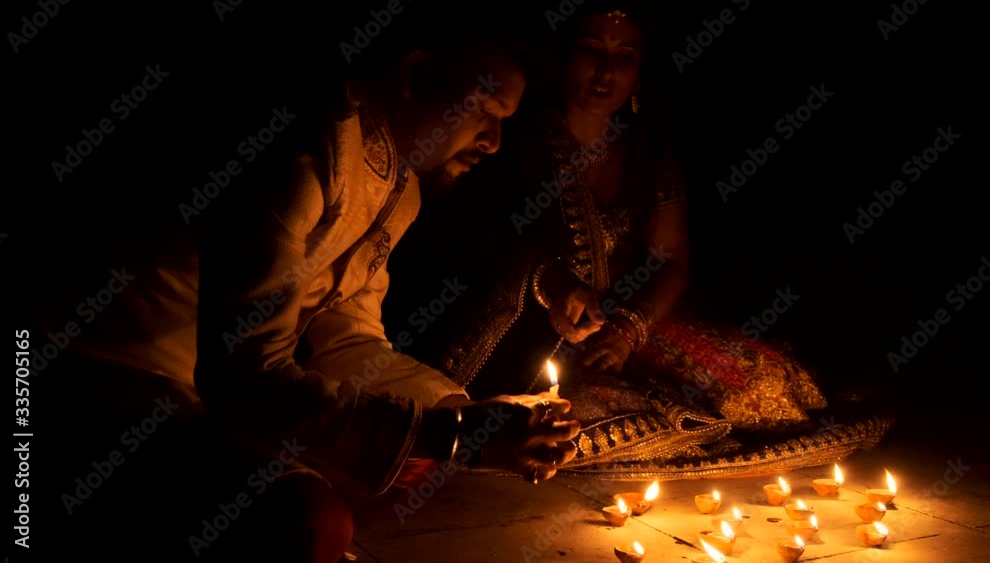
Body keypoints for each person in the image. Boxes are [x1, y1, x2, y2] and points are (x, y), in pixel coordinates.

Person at [28, 16, 580, 563]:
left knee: (402, 464)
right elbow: (242, 377)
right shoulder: (305, 145)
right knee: (314, 520)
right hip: (101, 374)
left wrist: (464, 409)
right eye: (486, 109)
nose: (494, 141)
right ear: (415, 74)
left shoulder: (400, 184)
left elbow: (347, 341)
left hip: (203, 398)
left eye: (505, 121)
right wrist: (454, 433)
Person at [382, 0, 892, 481]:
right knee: (555, 420)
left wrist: (628, 329)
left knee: (762, 382)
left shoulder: (649, 152)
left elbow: (671, 262)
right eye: (591, 50)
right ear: (563, 55)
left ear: (641, 70)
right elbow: (478, 241)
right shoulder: (510, 136)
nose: (606, 70)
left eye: (624, 56)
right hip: (524, 328)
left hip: (627, 328)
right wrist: (552, 284)